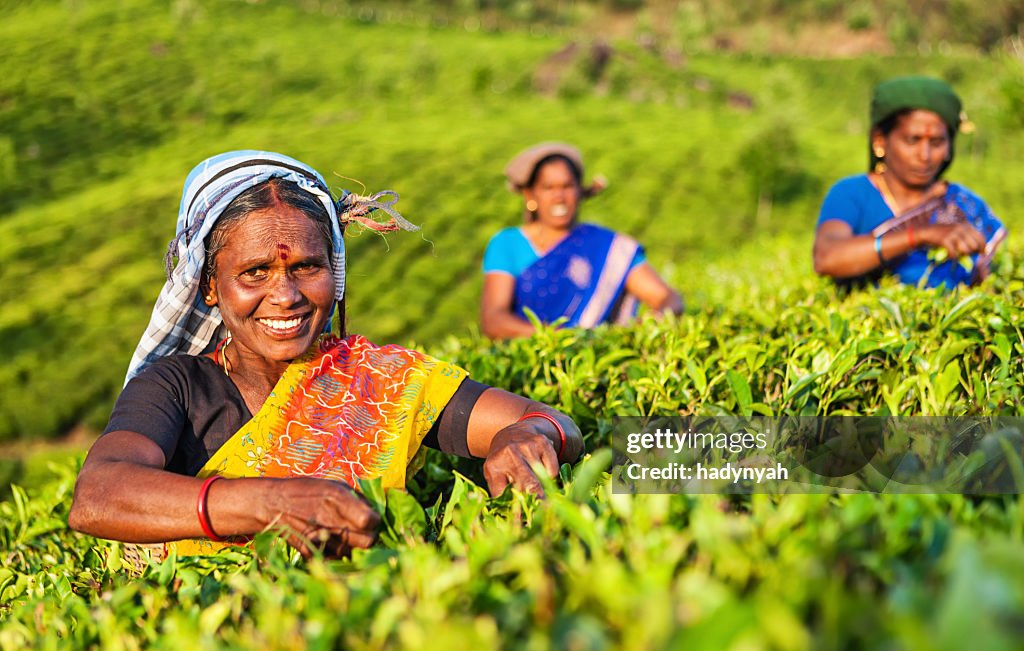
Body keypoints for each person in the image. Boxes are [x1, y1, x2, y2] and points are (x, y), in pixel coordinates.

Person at [69, 150, 583, 560]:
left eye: (306, 267)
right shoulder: (176, 385)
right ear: (208, 284)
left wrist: (525, 436)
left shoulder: (377, 382)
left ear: (332, 273)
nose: (286, 295)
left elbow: (553, 423)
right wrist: (268, 502)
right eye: (255, 273)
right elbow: (98, 495)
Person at [813, 76, 1007, 289]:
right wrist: (920, 234)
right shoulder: (852, 194)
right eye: (912, 140)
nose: (925, 155)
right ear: (880, 140)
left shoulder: (965, 205)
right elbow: (827, 258)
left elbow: (992, 281)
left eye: (937, 142)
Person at [480, 142, 683, 339]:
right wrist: (562, 338)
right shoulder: (507, 244)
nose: (559, 196)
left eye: (567, 186)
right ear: (530, 195)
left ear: (580, 191)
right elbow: (494, 319)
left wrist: (647, 324)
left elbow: (667, 298)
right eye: (548, 187)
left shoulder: (607, 246)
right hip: (526, 363)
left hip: (589, 364)